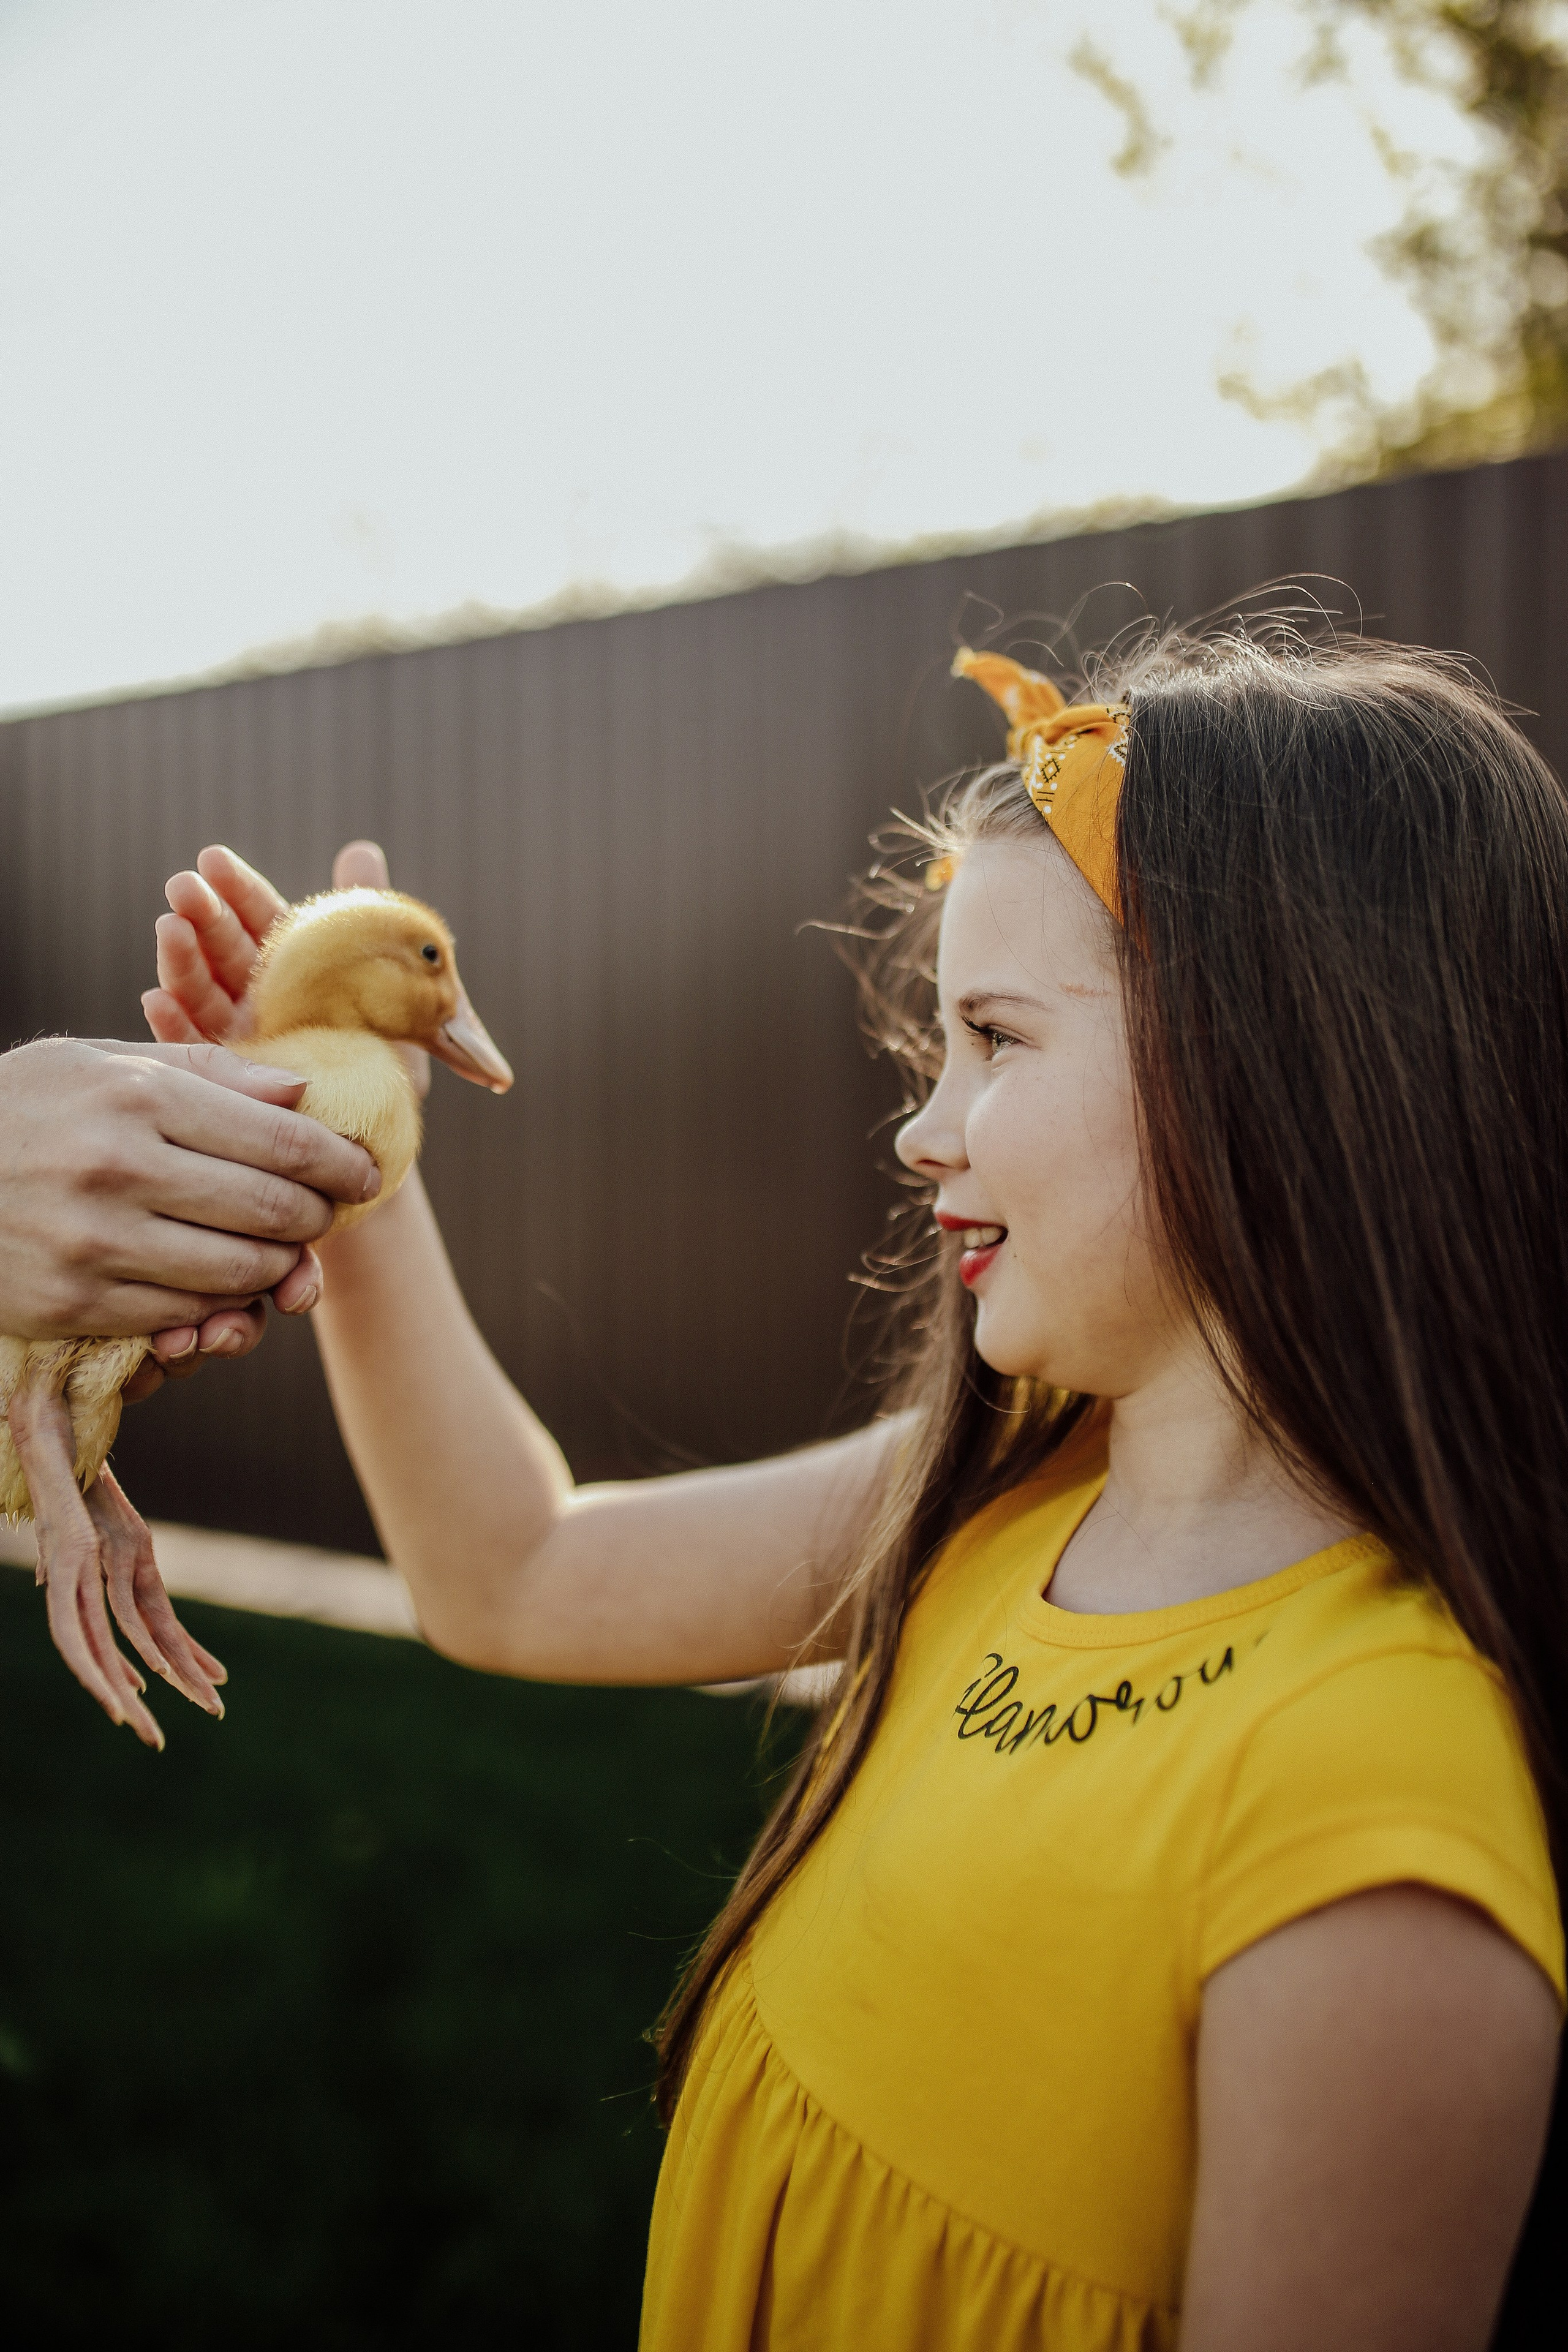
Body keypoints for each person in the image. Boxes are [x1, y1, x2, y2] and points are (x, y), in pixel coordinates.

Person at [149, 635, 1565, 2351]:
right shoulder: (996, 1487)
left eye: (994, 1041)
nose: (922, 1132)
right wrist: (334, 1139)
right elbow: (510, 1572)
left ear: (1280, 1063)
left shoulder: (1376, 1826)